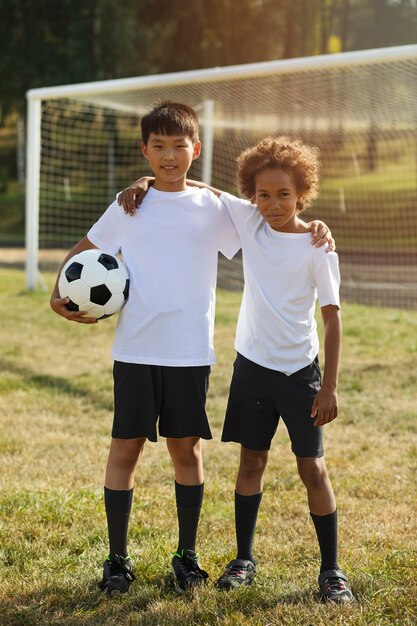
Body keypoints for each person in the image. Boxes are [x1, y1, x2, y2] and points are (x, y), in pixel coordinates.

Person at [51, 101, 332, 596]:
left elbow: (265, 213)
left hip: (189, 353)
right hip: (135, 350)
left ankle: (187, 555)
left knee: (187, 450)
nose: (168, 155)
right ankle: (117, 560)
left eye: (179, 146)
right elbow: (82, 252)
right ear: (145, 151)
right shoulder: (128, 205)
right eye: (157, 147)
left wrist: (317, 227)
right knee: (125, 451)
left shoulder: (214, 209)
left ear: (195, 150)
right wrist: (59, 295)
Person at [120, 135, 353, 603]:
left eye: (284, 194)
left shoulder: (317, 247)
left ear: (302, 193)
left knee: (313, 469)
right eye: (263, 195)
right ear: (251, 195)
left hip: (300, 374)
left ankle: (331, 571)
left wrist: (328, 387)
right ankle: (243, 559)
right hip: (251, 369)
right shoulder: (250, 221)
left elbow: (332, 317)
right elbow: (195, 187)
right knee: (251, 462)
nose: (272, 204)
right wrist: (148, 179)